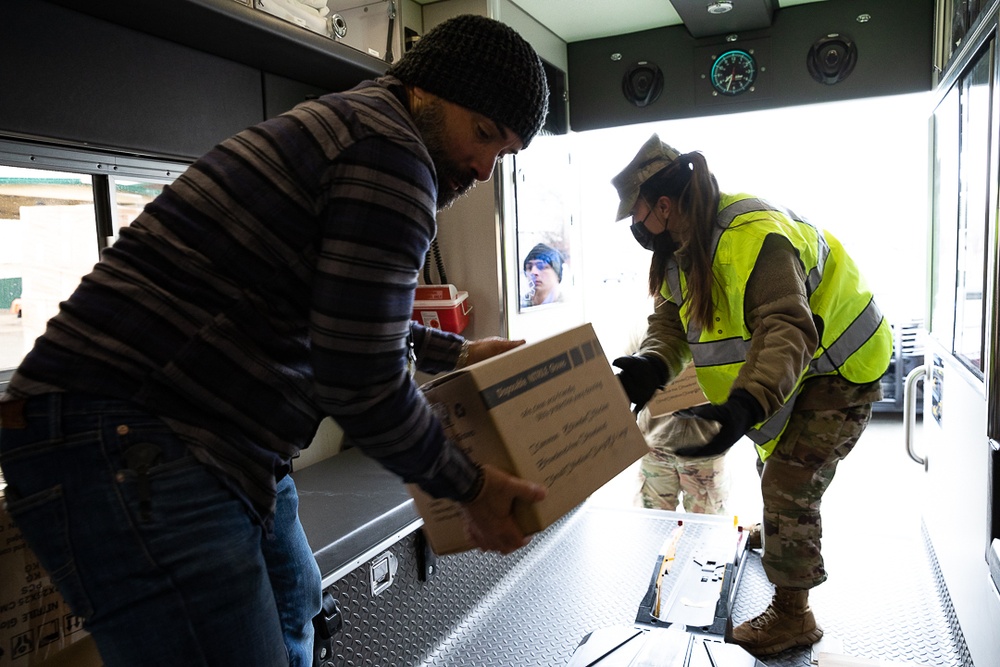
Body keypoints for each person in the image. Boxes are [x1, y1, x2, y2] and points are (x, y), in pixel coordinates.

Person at [0, 15, 549, 667]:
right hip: (134, 434)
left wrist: (453, 353)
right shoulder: (394, 155)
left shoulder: (362, 130)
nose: (484, 167)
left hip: (201, 441)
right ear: (427, 88)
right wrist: (470, 488)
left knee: (299, 616)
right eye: (483, 133)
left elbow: (343, 308)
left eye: (503, 152)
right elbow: (360, 380)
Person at [610, 134, 892, 657]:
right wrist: (648, 367)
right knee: (778, 462)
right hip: (801, 368)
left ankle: (794, 616)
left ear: (665, 206)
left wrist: (746, 404)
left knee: (789, 478)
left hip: (840, 361)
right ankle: (781, 531)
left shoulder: (752, 236)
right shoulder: (681, 250)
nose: (635, 227)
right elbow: (671, 325)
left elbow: (787, 329)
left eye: (638, 213)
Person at [521, 242, 565, 307]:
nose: (533, 272)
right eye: (529, 267)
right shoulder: (518, 307)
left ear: (557, 275)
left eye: (541, 266)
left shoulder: (568, 308)